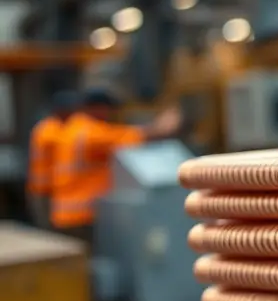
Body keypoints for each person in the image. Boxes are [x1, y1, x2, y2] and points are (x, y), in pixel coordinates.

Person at [50, 88, 181, 242]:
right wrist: (164, 125)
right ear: (97, 108)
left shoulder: (72, 129)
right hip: (82, 215)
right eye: (108, 109)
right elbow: (136, 137)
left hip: (65, 214)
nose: (111, 114)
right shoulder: (90, 133)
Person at [26, 91, 79, 229]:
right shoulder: (48, 129)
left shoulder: (62, 127)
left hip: (53, 188)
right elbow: (67, 142)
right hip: (43, 190)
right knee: (48, 229)